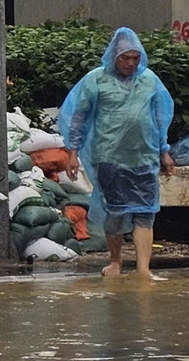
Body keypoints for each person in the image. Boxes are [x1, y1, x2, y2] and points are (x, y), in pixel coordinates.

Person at [60, 28, 175, 280]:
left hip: (143, 158)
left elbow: (159, 117)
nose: (131, 63)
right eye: (125, 58)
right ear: (113, 56)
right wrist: (73, 152)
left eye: (135, 58)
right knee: (116, 211)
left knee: (146, 212)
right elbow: (78, 118)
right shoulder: (96, 80)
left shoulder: (149, 80)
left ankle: (143, 269)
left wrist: (163, 151)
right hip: (109, 158)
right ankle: (115, 261)